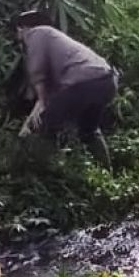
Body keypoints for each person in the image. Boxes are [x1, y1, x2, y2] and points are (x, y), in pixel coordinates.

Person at [15, 11, 117, 169]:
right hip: (106, 80)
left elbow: (37, 71)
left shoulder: (36, 33)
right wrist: (27, 125)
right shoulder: (56, 41)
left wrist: (41, 105)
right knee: (89, 131)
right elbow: (48, 93)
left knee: (47, 127)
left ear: (22, 28)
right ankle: (108, 173)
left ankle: (44, 177)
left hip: (84, 82)